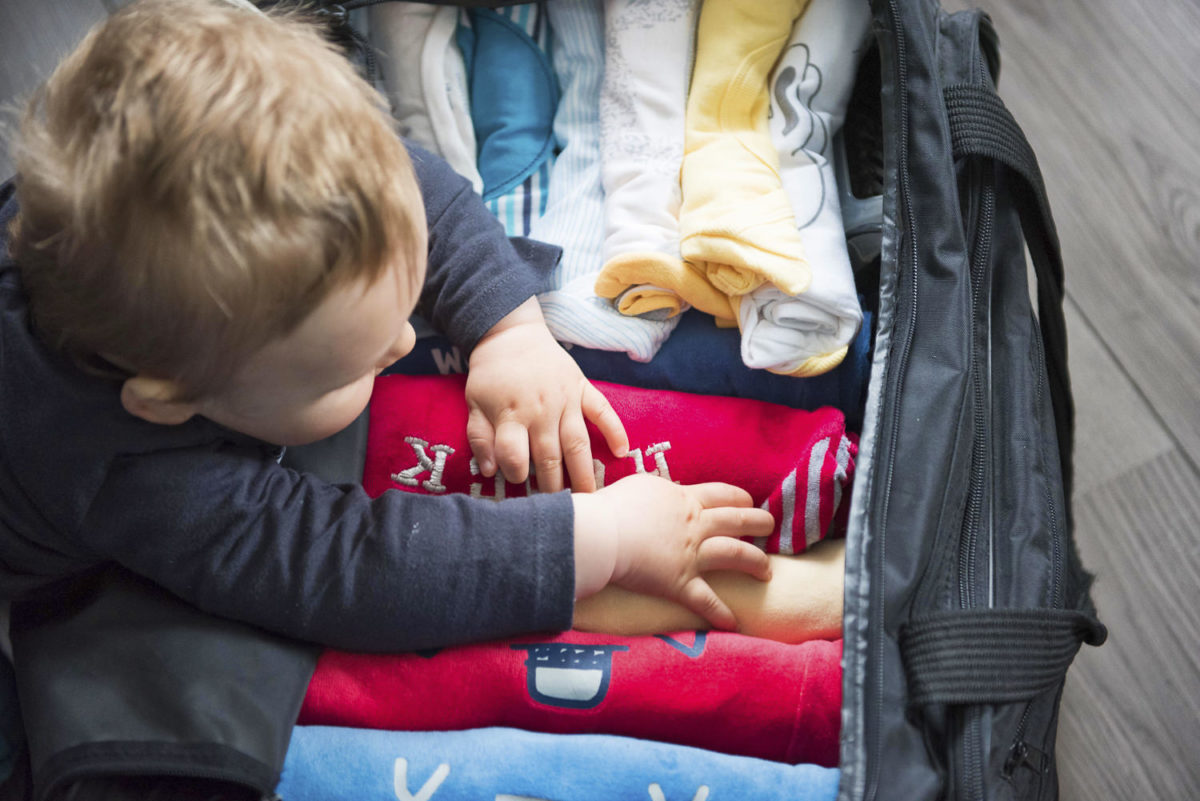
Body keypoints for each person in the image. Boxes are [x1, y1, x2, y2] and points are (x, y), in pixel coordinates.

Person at [0, 0, 774, 655]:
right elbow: (354, 570)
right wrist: (600, 538)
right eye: (344, 370)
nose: (404, 342)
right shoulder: (133, 477)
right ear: (169, 401)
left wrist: (508, 330)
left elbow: (420, 196)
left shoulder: (298, 170)